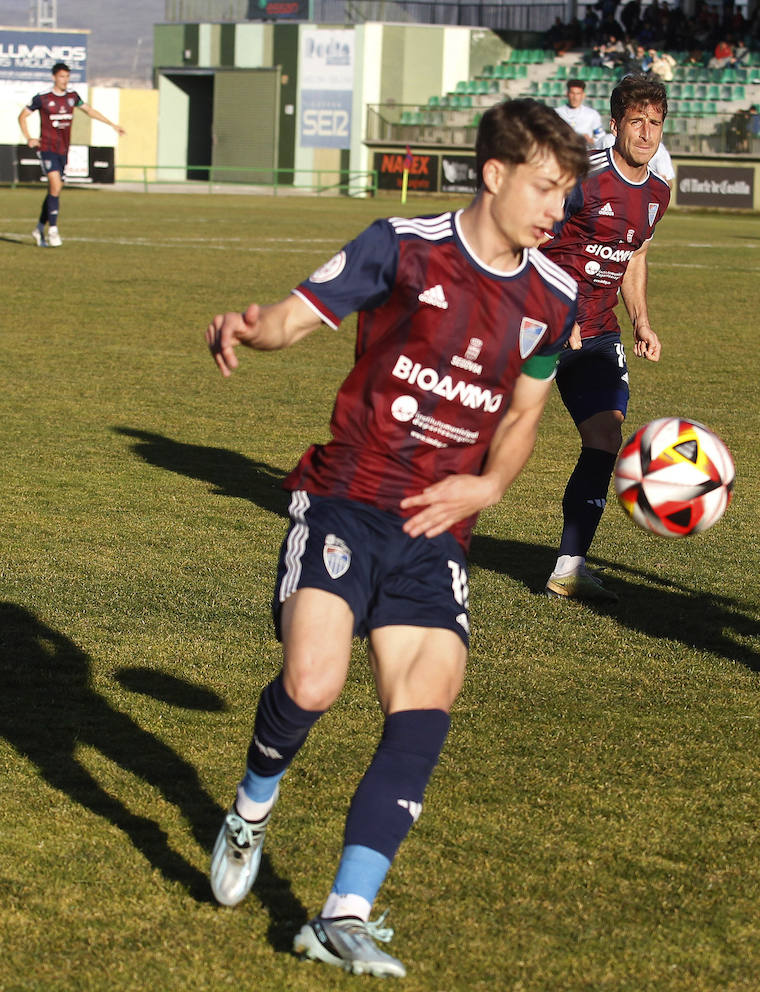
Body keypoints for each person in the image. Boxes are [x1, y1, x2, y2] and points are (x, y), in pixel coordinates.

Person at [201, 99, 587, 975]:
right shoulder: (402, 245)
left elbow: (525, 413)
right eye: (544, 187)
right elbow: (295, 317)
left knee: (424, 704)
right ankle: (250, 808)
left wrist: (487, 484)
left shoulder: (553, 298)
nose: (555, 210)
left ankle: (345, 912)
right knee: (313, 683)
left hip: (436, 529)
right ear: (494, 174)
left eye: (565, 194)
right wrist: (245, 327)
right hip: (344, 497)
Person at [539, 73, 671, 603]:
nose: (646, 132)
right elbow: (527, 237)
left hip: (598, 330)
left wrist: (640, 319)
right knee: (491, 438)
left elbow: (635, 253)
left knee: (606, 436)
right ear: (614, 124)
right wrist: (558, 310)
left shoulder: (658, 192)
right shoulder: (580, 178)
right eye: (636, 121)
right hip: (538, 323)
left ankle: (569, 567)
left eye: (655, 123)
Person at [18, 61, 124, 247]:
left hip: (63, 150)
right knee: (56, 186)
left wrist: (112, 124)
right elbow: (22, 116)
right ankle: (53, 230)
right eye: (61, 76)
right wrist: (29, 137)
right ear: (54, 77)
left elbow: (89, 111)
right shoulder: (42, 98)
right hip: (47, 148)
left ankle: (39, 227)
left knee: (54, 189)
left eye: (67, 77)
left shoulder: (72, 97)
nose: (65, 80)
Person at [556, 78, 604, 146]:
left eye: (578, 94)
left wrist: (590, 140)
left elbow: (601, 137)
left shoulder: (592, 114)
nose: (575, 97)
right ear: (567, 94)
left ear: (583, 95)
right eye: (572, 93)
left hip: (584, 152)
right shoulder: (557, 113)